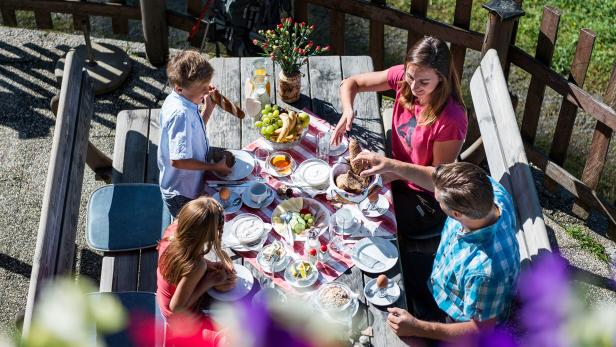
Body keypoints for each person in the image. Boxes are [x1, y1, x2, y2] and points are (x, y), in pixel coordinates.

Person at [352, 158, 521, 342]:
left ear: (456, 214)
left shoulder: (485, 272)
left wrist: (417, 327)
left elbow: (481, 329)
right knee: (388, 261)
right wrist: (393, 166)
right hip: (440, 276)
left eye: (438, 198)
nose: (433, 193)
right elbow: (436, 179)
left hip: (454, 318)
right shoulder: (489, 193)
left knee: (389, 335)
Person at [331, 36, 467, 239]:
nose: (413, 87)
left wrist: (393, 167)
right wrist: (348, 111)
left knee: (354, 221)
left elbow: (438, 181)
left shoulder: (452, 118)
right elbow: (350, 83)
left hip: (422, 199)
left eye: (424, 82)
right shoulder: (404, 79)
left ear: (442, 77)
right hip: (393, 176)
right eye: (411, 77)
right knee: (336, 193)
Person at [158, 50, 233, 217]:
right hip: (182, 194)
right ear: (179, 88)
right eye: (203, 88)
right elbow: (178, 160)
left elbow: (194, 132)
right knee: (198, 231)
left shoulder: (182, 99)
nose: (208, 91)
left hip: (192, 181)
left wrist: (208, 108)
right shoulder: (180, 114)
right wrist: (214, 167)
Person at [157, 197, 237, 326]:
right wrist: (209, 282)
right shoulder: (196, 267)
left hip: (164, 297)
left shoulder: (173, 231)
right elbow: (176, 308)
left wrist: (208, 265)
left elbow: (183, 259)